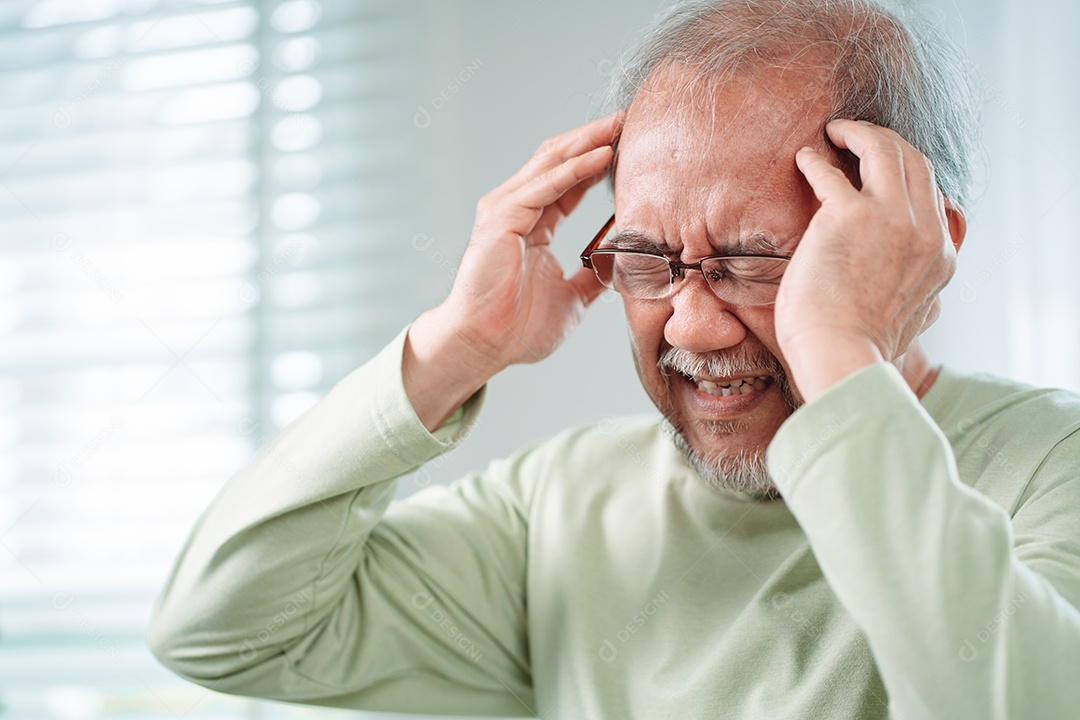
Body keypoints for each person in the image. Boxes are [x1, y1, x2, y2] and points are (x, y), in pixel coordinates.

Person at [148, 0, 1080, 717]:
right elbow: (220, 628)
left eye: (758, 262)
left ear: (921, 245)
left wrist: (840, 351)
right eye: (647, 260)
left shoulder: (1052, 463)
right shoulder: (560, 506)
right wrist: (452, 347)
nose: (689, 329)